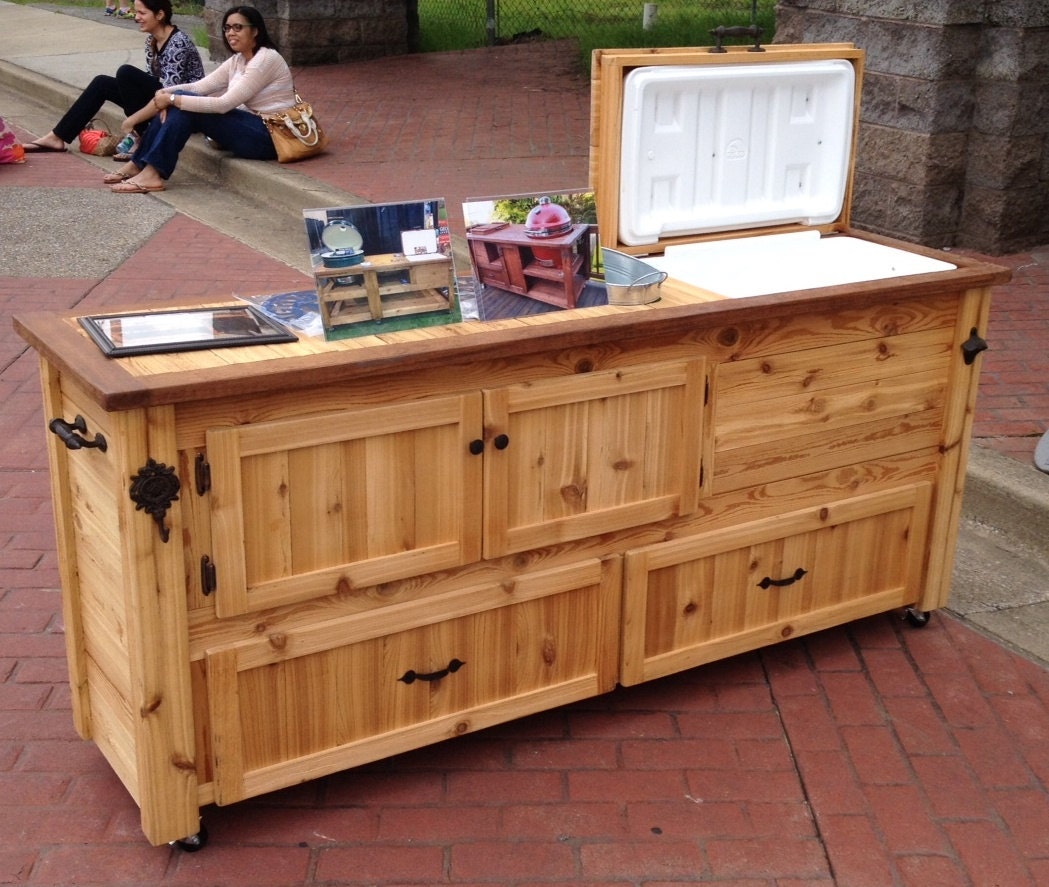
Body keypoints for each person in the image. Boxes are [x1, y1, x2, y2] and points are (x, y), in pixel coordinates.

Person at [106, 6, 294, 194]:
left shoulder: (265, 59)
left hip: (270, 136)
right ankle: (139, 165)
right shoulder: (239, 59)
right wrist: (163, 93)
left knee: (183, 103)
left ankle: (150, 171)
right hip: (249, 129)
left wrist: (172, 99)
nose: (231, 33)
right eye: (227, 28)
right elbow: (199, 87)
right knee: (182, 101)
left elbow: (223, 104)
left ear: (255, 31)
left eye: (238, 27)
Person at [25, 0, 204, 154]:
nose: (136, 17)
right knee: (102, 83)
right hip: (162, 100)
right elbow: (150, 83)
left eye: (142, 13)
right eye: (136, 12)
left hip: (183, 107)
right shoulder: (152, 40)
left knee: (126, 73)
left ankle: (141, 136)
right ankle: (57, 137)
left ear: (159, 15)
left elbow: (167, 94)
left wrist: (133, 120)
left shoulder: (177, 43)